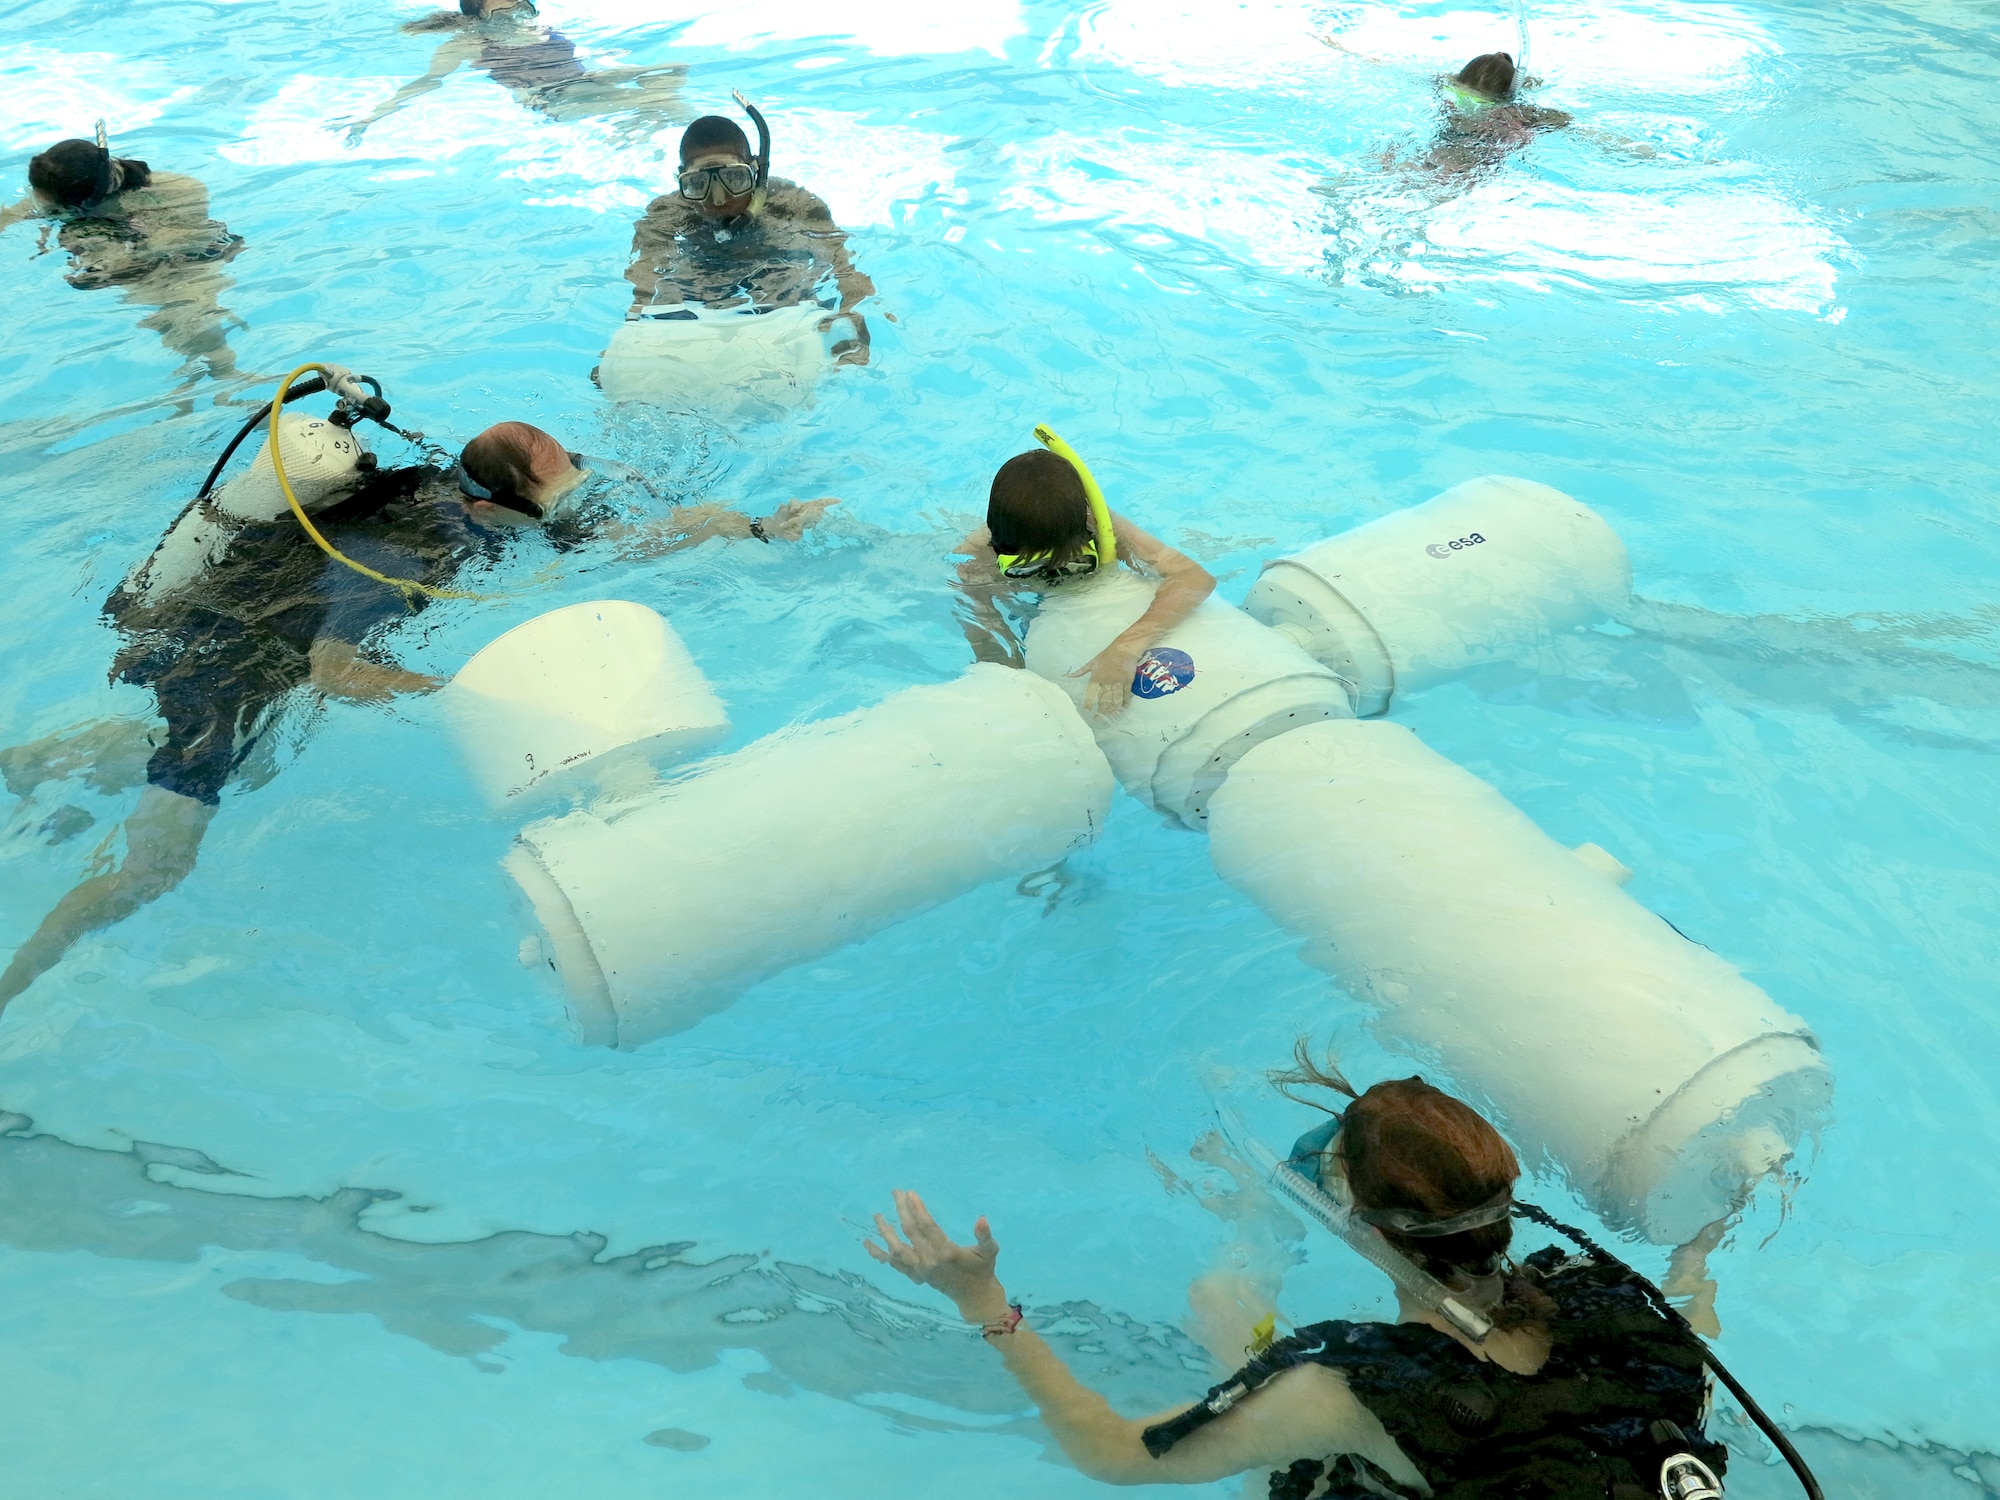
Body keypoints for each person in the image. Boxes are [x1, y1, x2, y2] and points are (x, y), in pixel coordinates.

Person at [0, 418, 833, 1012]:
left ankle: (24, 765)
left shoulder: (459, 487)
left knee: (193, 752)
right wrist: (464, 696)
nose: (577, 512)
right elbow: (333, 672)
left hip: (216, 640)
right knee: (156, 870)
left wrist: (754, 526)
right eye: (566, 494)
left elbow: (634, 536)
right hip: (229, 683)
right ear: (496, 504)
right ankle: (16, 987)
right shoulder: (414, 550)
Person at [869, 1056, 1727, 1497]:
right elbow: (1700, 1334)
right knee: (1236, 1325)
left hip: (1385, 1437)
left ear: (1353, 1217)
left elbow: (1108, 1456)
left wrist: (981, 1302)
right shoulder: (1611, 1297)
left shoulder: (1348, 1387)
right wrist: (1694, 1259)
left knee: (1249, 1372)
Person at [952, 448, 1216, 716]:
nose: (1053, 577)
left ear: (1088, 525)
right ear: (998, 549)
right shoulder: (974, 561)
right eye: (1027, 568)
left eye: (1072, 563)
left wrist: (1126, 647)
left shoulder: (1103, 526)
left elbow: (1193, 578)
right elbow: (991, 649)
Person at [623, 111, 874, 362]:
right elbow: (646, 277)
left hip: (773, 264)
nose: (719, 199)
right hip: (700, 272)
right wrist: (632, 329)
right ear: (682, 179)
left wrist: (850, 310)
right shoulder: (667, 211)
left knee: (790, 302)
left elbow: (842, 266)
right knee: (672, 307)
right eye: (699, 183)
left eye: (734, 178)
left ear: (755, 171)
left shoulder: (792, 202)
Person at [0, 129, 245, 383]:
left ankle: (223, 370)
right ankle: (210, 368)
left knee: (184, 301)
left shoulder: (177, 191)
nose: (36, 202)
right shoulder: (71, 189)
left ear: (83, 200)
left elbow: (181, 243)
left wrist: (127, 258)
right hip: (134, 241)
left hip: (185, 254)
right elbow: (15, 213)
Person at [341, 0, 685, 144]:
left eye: (519, 4)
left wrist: (648, 67)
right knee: (664, 99)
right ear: (480, 16)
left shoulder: (540, 26)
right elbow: (429, 82)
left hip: (584, 82)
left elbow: (579, 66)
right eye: (501, 9)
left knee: (672, 76)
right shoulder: (469, 43)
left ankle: (637, 133)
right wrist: (371, 116)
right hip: (553, 100)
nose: (515, 12)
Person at [1423, 52, 1571, 182]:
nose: (1464, 106)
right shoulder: (1445, 90)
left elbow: (1564, 119)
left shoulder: (1512, 114)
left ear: (1500, 104)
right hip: (1444, 151)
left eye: (1479, 103)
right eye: (1459, 96)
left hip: (1476, 162)